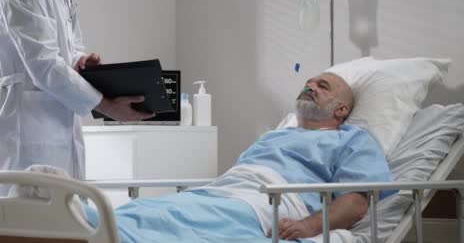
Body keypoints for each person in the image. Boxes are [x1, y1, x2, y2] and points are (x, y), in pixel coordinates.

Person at [79, 72, 397, 242]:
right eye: (308, 82)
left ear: (341, 109)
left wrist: (309, 226)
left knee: (180, 222)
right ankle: (78, 221)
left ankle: (83, 225)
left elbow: (357, 201)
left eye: (322, 86)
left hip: (271, 201)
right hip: (221, 191)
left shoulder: (352, 139)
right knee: (152, 210)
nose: (309, 86)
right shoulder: (276, 136)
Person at [0, 0, 153, 197]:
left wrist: (80, 60)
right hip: (25, 121)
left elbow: (65, 47)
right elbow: (43, 64)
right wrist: (106, 105)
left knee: (60, 216)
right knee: (26, 218)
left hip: (52, 116)